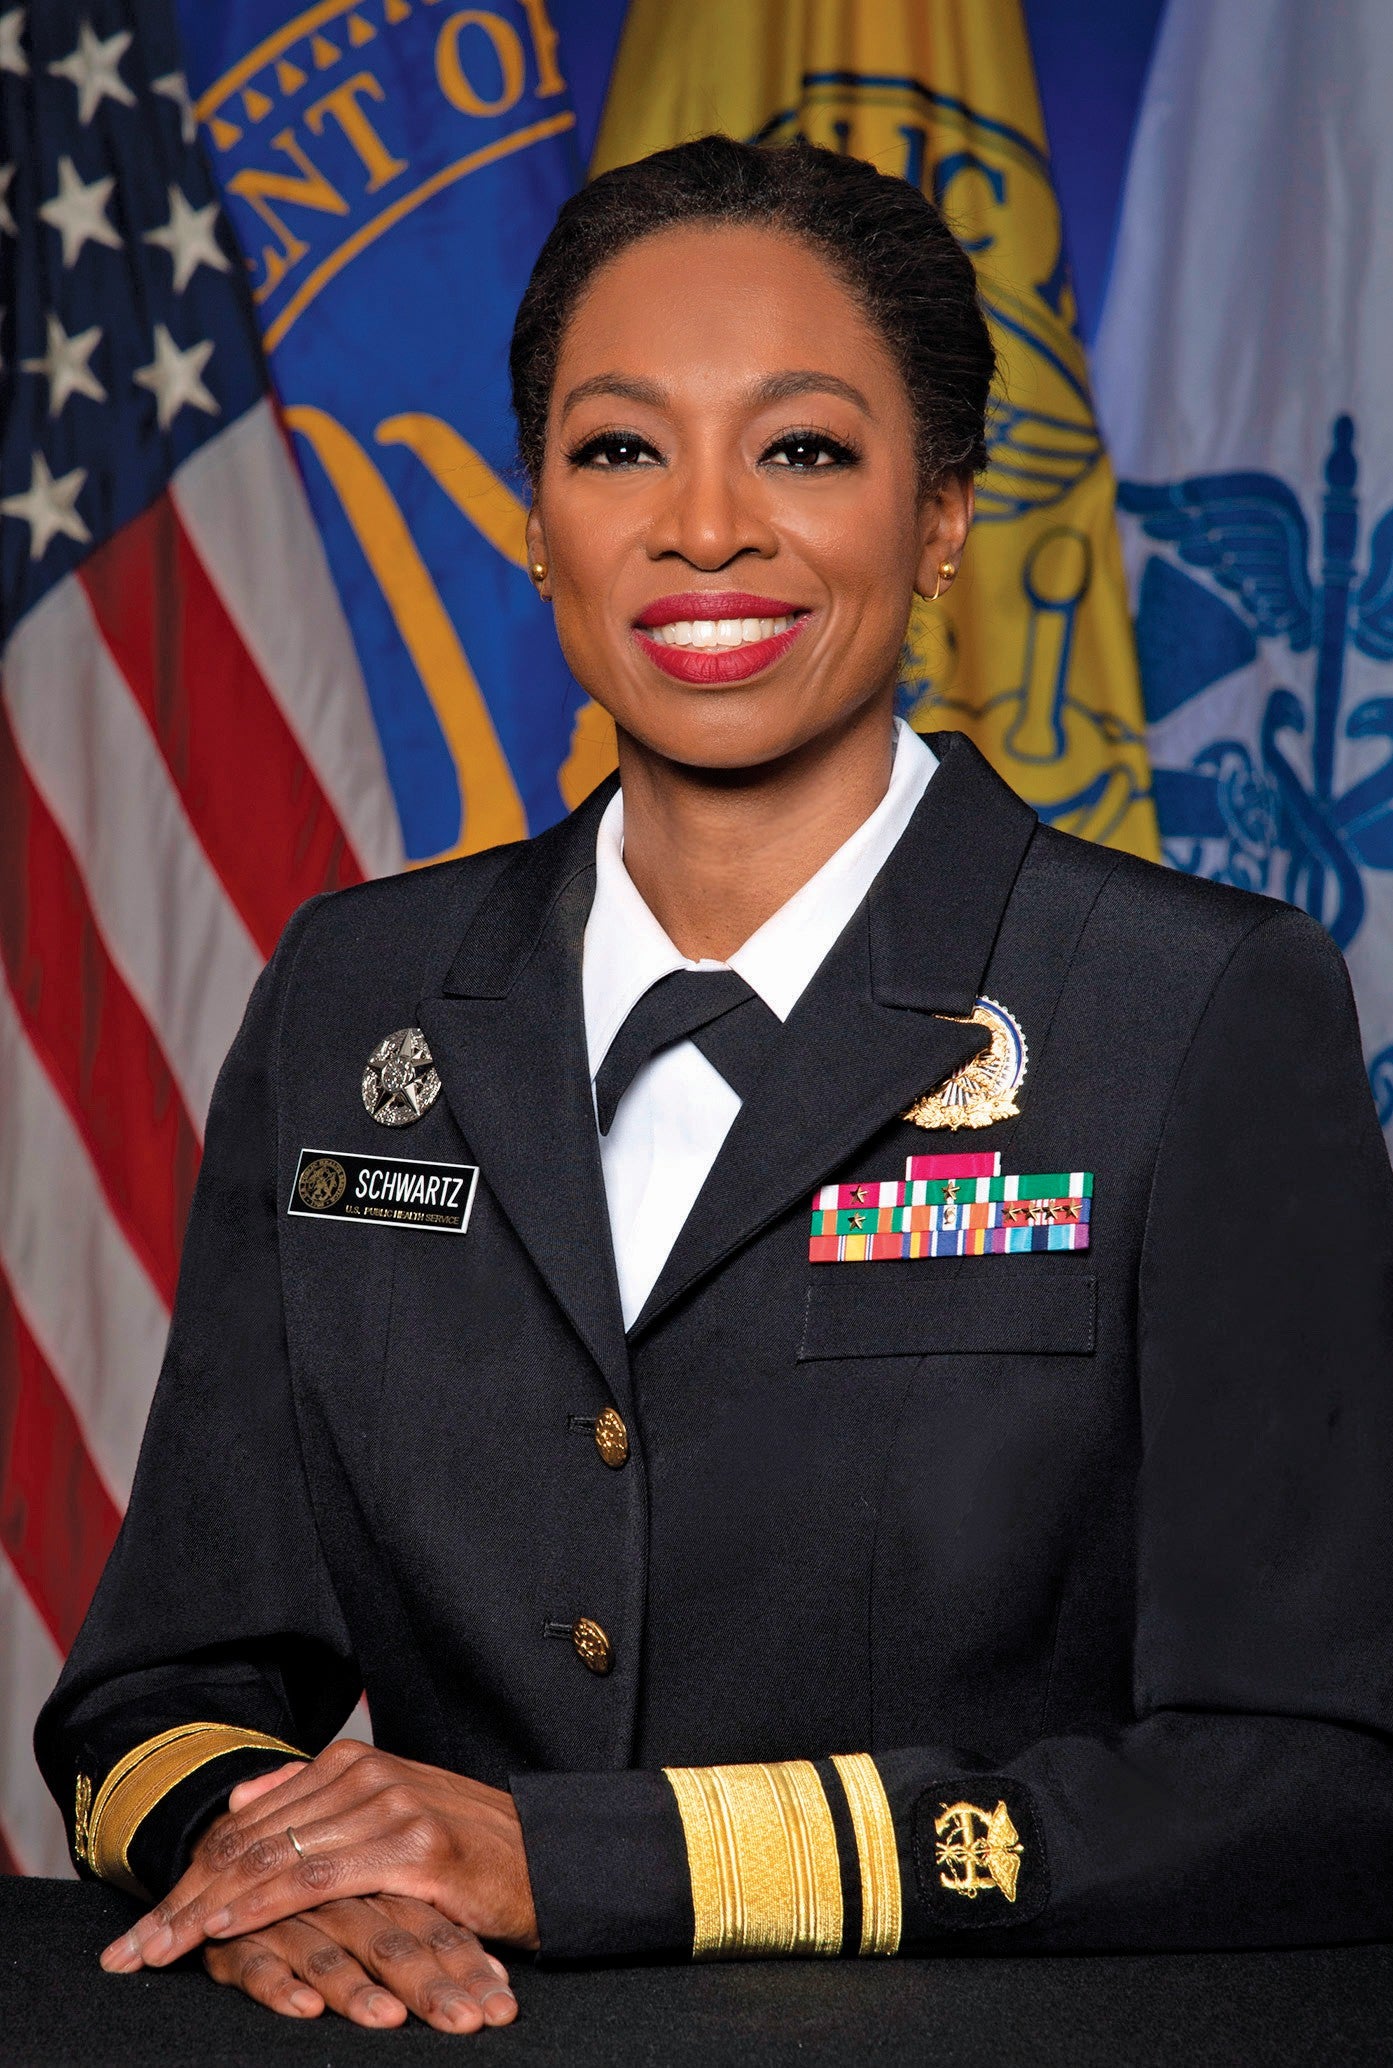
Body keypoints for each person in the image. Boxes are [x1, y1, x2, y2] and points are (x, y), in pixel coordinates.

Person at [38, 134, 1393, 2034]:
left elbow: (1316, 1781)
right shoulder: (360, 994)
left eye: (804, 449)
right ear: (532, 512)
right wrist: (270, 1873)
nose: (702, 530)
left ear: (938, 516)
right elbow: (156, 1686)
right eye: (616, 450)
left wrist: (574, 1861)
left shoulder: (1192, 1011)